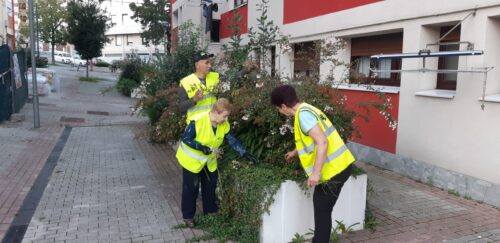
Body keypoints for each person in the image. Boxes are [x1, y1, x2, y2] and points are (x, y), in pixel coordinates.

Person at [270, 85, 355, 243]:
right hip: (340, 166)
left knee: (322, 211)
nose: (279, 112)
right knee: (322, 209)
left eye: (278, 109)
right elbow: (312, 138)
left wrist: (316, 174)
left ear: (283, 106)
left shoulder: (303, 116)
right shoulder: (306, 109)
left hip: (335, 170)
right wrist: (295, 152)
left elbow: (322, 142)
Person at [176, 98, 258, 227]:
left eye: (227, 116)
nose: (226, 119)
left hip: (209, 161)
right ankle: (188, 216)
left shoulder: (223, 124)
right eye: (224, 116)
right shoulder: (197, 120)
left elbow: (232, 140)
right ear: (215, 111)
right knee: (191, 189)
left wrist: (244, 153)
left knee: (210, 186)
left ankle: (210, 212)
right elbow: (186, 139)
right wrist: (202, 147)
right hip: (191, 161)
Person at [178, 50, 220, 123]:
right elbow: (180, 107)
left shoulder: (215, 76)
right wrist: (194, 99)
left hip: (214, 123)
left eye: (210, 62)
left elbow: (232, 78)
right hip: (197, 127)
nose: (210, 65)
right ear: (197, 65)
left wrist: (245, 70)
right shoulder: (186, 82)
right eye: (206, 63)